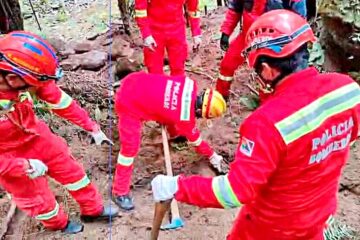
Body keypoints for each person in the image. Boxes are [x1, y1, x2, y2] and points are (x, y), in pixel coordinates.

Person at [151, 10, 360, 239]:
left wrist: (177, 187)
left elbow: (234, 191)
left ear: (268, 70)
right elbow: (344, 137)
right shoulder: (347, 90)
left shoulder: (265, 124)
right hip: (316, 221)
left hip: (268, 230)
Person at [0, 31, 118, 234]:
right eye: (36, 82)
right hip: (8, 156)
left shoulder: (26, 80)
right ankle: (58, 224)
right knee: (36, 198)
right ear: (11, 78)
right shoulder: (22, 79)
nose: (40, 86)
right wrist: (22, 166)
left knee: (73, 173)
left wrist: (92, 127)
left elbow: (60, 102)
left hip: (37, 137)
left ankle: (92, 209)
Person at [113, 71, 227, 210]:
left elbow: (170, 101)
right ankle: (120, 191)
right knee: (129, 150)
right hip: (129, 103)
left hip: (135, 79)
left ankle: (174, 134)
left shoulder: (188, 83)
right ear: (199, 111)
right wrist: (212, 156)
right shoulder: (185, 118)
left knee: (168, 110)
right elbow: (196, 142)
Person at [216, 0, 307, 100]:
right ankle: (220, 95)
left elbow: (298, 21)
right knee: (227, 64)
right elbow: (235, 9)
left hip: (274, 41)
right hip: (248, 36)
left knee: (268, 77)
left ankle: (269, 104)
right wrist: (226, 32)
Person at [134, 0, 202, 76]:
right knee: (154, 70)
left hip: (177, 30)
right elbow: (140, 10)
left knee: (178, 67)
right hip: (154, 31)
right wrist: (146, 34)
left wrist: (196, 34)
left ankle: (176, 86)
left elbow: (193, 8)